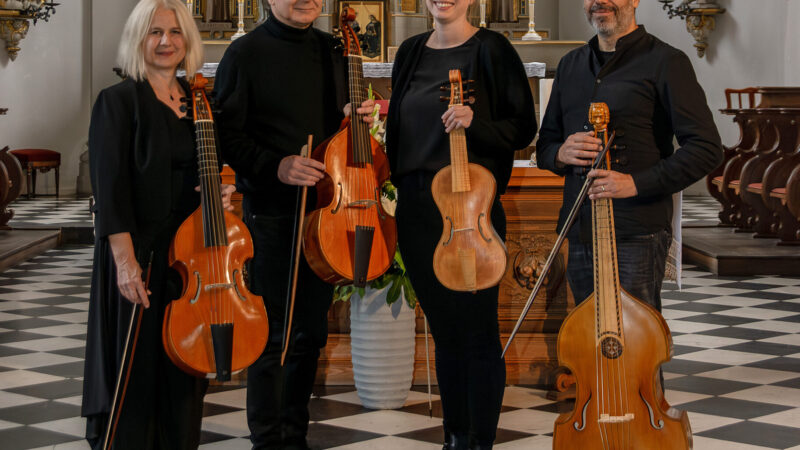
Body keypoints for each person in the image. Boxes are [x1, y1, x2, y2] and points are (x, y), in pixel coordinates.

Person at [213, 0, 372, 448]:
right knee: (273, 334)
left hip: (327, 214)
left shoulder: (337, 51)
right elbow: (226, 137)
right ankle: (268, 439)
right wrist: (276, 165)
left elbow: (350, 130)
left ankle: (294, 435)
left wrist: (361, 120)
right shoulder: (245, 54)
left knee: (310, 333)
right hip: (273, 214)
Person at [382, 0, 536, 446]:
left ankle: (479, 438)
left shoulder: (492, 48)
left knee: (477, 330)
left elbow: (522, 127)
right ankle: (455, 435)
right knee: (444, 329)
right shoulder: (410, 51)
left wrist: (477, 123)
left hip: (471, 209)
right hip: (417, 211)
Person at [81, 0, 235, 448]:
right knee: (136, 375)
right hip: (140, 257)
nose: (165, 41)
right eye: (154, 32)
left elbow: (207, 174)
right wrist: (125, 264)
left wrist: (219, 192)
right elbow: (110, 193)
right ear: (137, 39)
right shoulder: (118, 101)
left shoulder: (201, 102)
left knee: (183, 374)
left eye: (174, 32)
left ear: (187, 39)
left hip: (189, 264)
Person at [536, 0, 723, 310]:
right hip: (580, 227)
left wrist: (635, 183)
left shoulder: (666, 61)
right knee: (587, 340)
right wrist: (561, 152)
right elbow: (545, 147)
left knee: (637, 344)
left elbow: (706, 149)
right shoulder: (571, 64)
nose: (599, 2)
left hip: (637, 230)